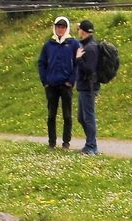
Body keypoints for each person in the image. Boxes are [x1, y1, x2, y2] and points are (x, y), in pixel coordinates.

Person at [37, 16, 79, 150]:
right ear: (54, 28)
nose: (60, 29)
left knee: (67, 115)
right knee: (51, 115)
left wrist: (71, 81)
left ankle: (66, 142)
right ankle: (51, 142)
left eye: (63, 27)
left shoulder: (73, 44)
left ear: (66, 28)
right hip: (52, 85)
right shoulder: (49, 45)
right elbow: (41, 63)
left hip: (66, 85)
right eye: (58, 27)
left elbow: (78, 64)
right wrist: (45, 81)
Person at [74, 19, 100, 155]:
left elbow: (89, 69)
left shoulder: (91, 48)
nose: (77, 31)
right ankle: (91, 142)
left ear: (82, 31)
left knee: (88, 117)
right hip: (83, 87)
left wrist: (78, 59)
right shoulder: (85, 45)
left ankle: (91, 146)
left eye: (79, 29)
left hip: (89, 87)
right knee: (81, 118)